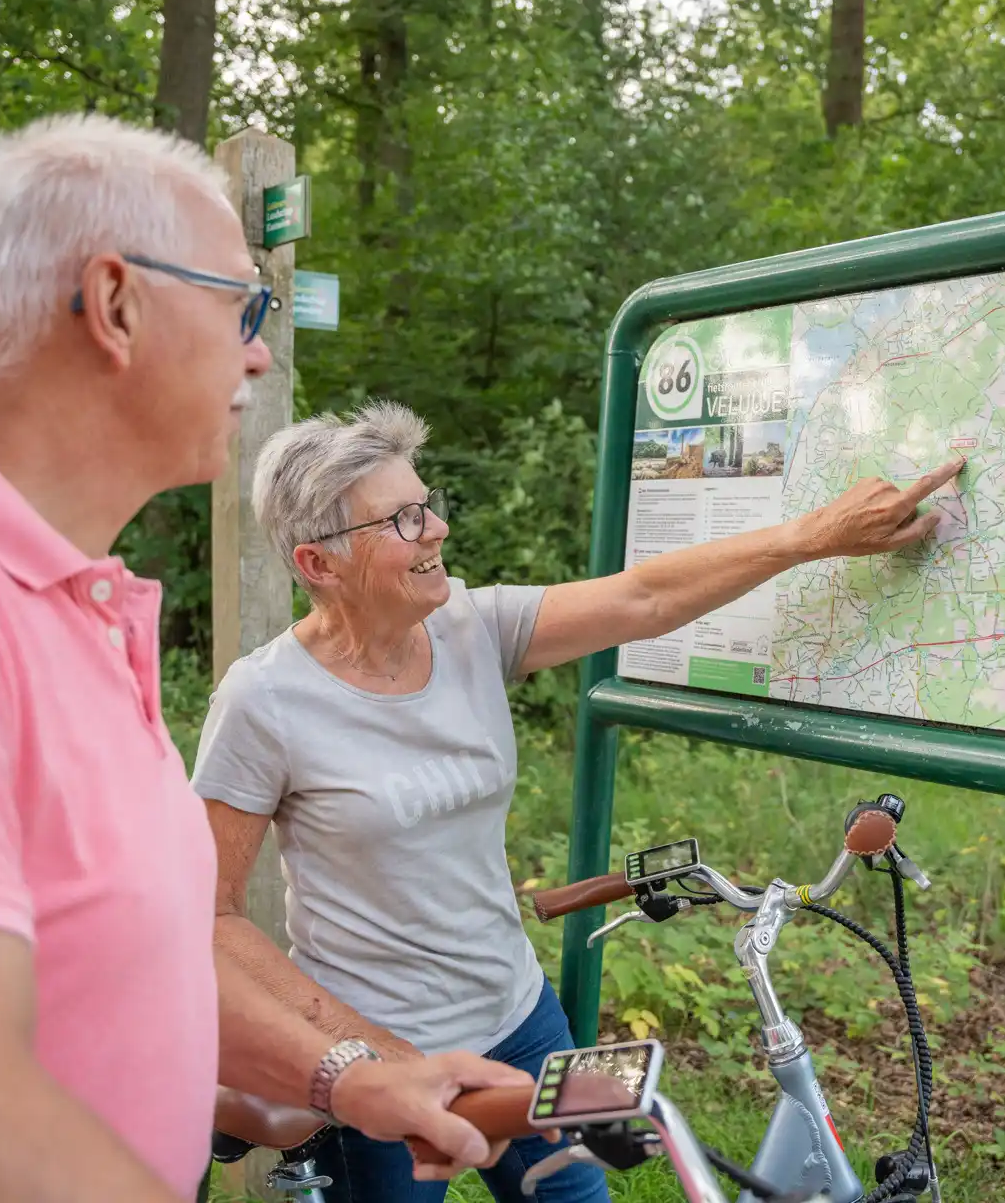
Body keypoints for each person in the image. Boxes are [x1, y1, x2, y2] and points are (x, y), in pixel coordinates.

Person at [0, 115, 530, 1203]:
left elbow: (127, 959)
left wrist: (351, 1076)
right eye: (240, 304)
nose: (259, 349)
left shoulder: (65, 607)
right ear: (117, 303)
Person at [190, 399, 964, 1203]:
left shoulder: (473, 628)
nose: (437, 530)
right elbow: (209, 913)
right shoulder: (265, 699)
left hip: (522, 1018)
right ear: (319, 564)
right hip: (375, 1055)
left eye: (429, 505)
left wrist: (812, 537)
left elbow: (644, 599)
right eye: (404, 519)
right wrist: (362, 1054)